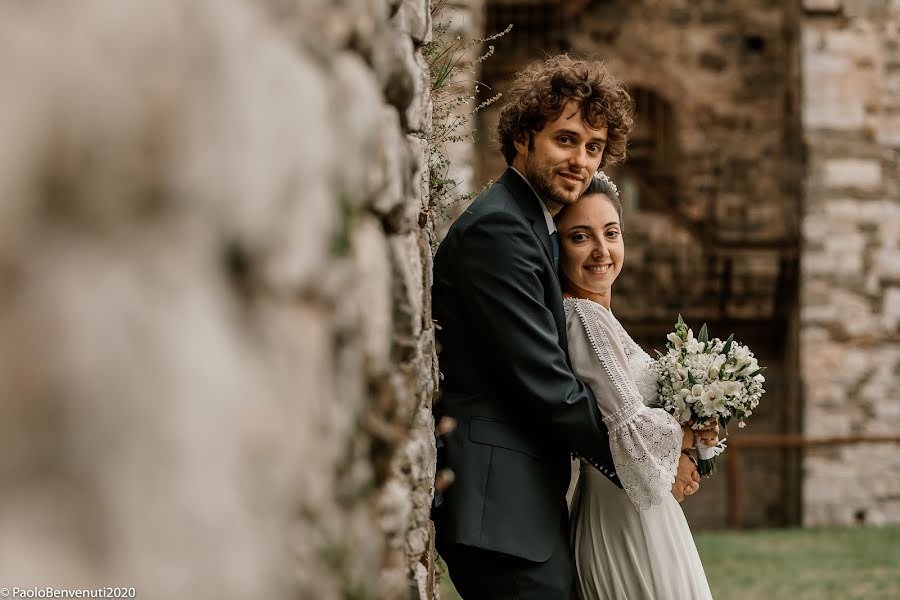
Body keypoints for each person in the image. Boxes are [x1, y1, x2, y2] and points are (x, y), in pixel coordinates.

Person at [430, 55, 635, 599]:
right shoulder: (500, 229)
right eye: (566, 139)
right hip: (497, 512)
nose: (581, 160)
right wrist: (644, 463)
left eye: (593, 148)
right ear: (523, 136)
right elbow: (546, 383)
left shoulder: (533, 227)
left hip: (520, 508)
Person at [558, 173, 716, 599]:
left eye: (611, 233)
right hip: (622, 514)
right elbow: (625, 421)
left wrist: (695, 431)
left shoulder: (601, 317)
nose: (601, 251)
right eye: (579, 237)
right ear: (556, 247)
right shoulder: (583, 319)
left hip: (636, 508)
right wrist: (683, 439)